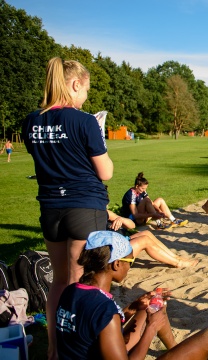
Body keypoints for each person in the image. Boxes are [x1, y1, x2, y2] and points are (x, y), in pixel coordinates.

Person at [21, 57, 114, 360]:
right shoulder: (84, 120)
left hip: (51, 209)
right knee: (82, 282)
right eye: (85, 89)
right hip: (84, 205)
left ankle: (53, 346)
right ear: (75, 85)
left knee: (60, 281)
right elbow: (105, 172)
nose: (86, 96)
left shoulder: (31, 121)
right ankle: (79, 349)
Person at [55, 231, 208, 359]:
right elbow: (105, 320)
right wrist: (151, 329)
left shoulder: (71, 292)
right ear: (117, 264)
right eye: (130, 261)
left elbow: (93, 327)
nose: (130, 265)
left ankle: (176, 350)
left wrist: (134, 307)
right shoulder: (105, 310)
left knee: (154, 304)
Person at [107, 210, 199, 268]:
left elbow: (132, 225)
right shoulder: (96, 216)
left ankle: (175, 257)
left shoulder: (106, 213)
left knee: (146, 233)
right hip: (114, 250)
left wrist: (121, 219)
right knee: (145, 240)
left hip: (121, 241)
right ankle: (178, 263)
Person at [121, 172, 188, 229]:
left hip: (144, 215)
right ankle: (159, 223)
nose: (144, 190)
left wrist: (159, 211)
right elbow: (135, 215)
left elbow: (152, 203)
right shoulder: (130, 194)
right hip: (135, 220)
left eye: (145, 189)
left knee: (159, 200)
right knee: (146, 200)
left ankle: (173, 220)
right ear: (136, 186)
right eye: (142, 188)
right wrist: (153, 214)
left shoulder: (142, 191)